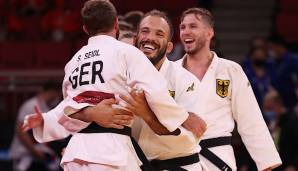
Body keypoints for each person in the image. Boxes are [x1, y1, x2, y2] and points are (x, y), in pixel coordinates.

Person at [23, 1, 196, 170]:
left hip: (75, 153)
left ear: (85, 29)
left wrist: (47, 120)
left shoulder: (73, 62)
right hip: (110, 150)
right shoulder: (126, 52)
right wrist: (182, 118)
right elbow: (156, 91)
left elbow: (70, 105)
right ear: (116, 24)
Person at [177, 7, 282, 171]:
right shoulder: (170, 72)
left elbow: (250, 119)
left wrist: (267, 164)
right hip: (180, 158)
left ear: (209, 33)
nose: (186, 31)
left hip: (219, 158)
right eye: (183, 27)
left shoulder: (230, 70)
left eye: (193, 26)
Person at [9, 81, 61, 171]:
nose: (59, 97)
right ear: (53, 92)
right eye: (58, 94)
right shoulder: (31, 105)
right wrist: (33, 151)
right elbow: (21, 131)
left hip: (39, 155)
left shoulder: (46, 108)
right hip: (24, 154)